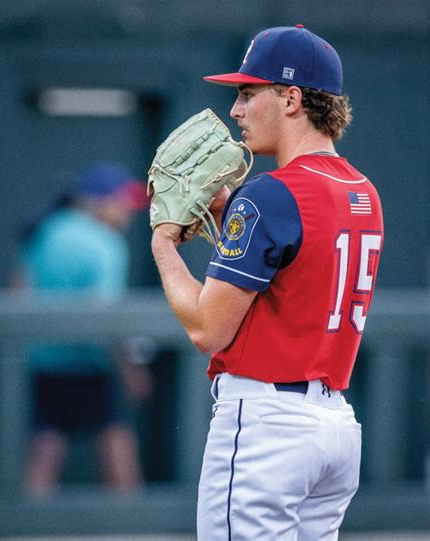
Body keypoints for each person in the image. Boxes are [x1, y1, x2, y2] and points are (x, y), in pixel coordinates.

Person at [151, 25, 384, 540]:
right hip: (336, 429)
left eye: (248, 92)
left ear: (292, 98)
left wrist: (163, 247)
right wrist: (230, 217)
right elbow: (289, 276)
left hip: (267, 427)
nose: (235, 110)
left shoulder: (269, 195)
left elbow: (208, 330)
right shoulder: (362, 190)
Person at [16, 161, 152, 494]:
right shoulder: (105, 244)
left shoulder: (44, 230)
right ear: (96, 201)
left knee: (44, 450)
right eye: (121, 203)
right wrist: (131, 370)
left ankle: (25, 531)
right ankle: (132, 531)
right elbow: (106, 316)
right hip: (92, 365)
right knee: (118, 448)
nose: (127, 212)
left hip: (43, 362)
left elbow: (18, 290)